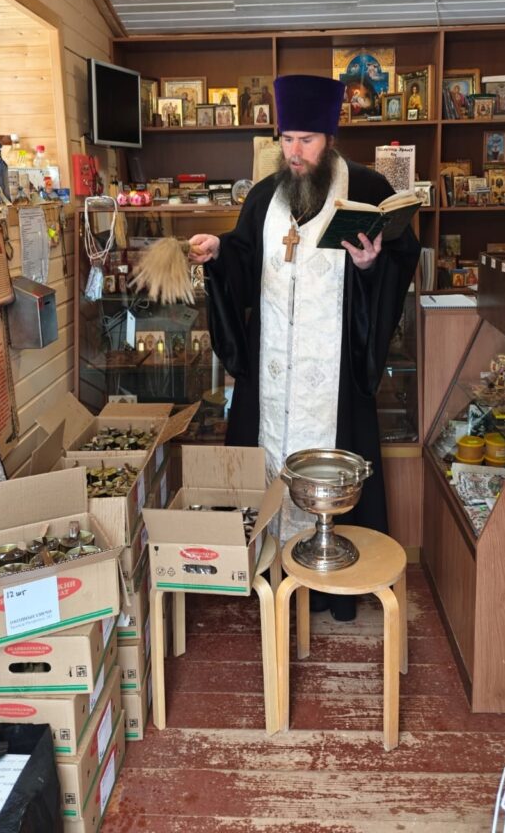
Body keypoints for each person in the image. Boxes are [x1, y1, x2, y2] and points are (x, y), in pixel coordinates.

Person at [189, 74, 420, 621]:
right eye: (287, 139)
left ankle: (330, 585)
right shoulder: (264, 196)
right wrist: (220, 250)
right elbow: (245, 257)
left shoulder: (367, 189)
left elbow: (399, 259)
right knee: (265, 461)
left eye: (307, 141)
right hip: (271, 376)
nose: (295, 152)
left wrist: (370, 267)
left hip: (332, 379)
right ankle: (270, 574)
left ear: (329, 139)